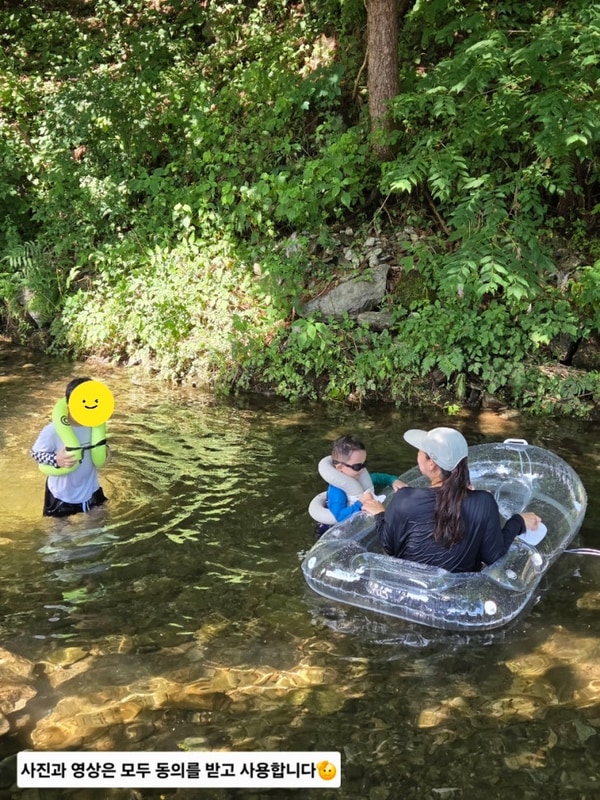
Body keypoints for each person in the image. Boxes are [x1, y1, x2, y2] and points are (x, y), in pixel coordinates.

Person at [361, 426, 542, 573]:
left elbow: (389, 546)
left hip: (411, 593)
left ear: (431, 463)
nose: (417, 454)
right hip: (455, 599)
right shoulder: (484, 502)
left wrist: (380, 514)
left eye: (419, 451)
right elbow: (492, 556)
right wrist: (517, 522)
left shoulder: (405, 499)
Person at [31, 377, 109, 517]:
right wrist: (56, 459)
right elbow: (35, 454)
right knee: (60, 536)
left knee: (100, 535)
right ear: (69, 405)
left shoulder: (96, 426)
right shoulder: (53, 430)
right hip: (60, 495)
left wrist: (107, 453)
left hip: (91, 490)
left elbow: (103, 451)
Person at [309, 434, 404, 535]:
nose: (362, 470)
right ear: (340, 467)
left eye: (364, 464)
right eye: (357, 466)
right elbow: (340, 517)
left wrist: (392, 480)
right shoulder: (337, 491)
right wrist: (360, 503)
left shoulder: (358, 477)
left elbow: (378, 478)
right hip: (333, 529)